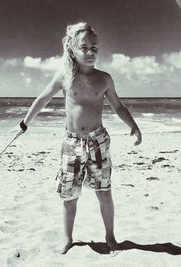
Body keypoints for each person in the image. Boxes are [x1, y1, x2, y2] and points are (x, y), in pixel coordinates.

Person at [17, 22, 142, 254]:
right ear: (72, 49)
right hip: (71, 143)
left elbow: (118, 106)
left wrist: (133, 125)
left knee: (104, 192)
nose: (90, 52)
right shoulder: (65, 76)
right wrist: (25, 123)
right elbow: (42, 99)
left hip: (99, 142)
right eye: (84, 47)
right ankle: (67, 238)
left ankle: (110, 237)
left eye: (94, 47)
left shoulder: (104, 79)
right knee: (69, 196)